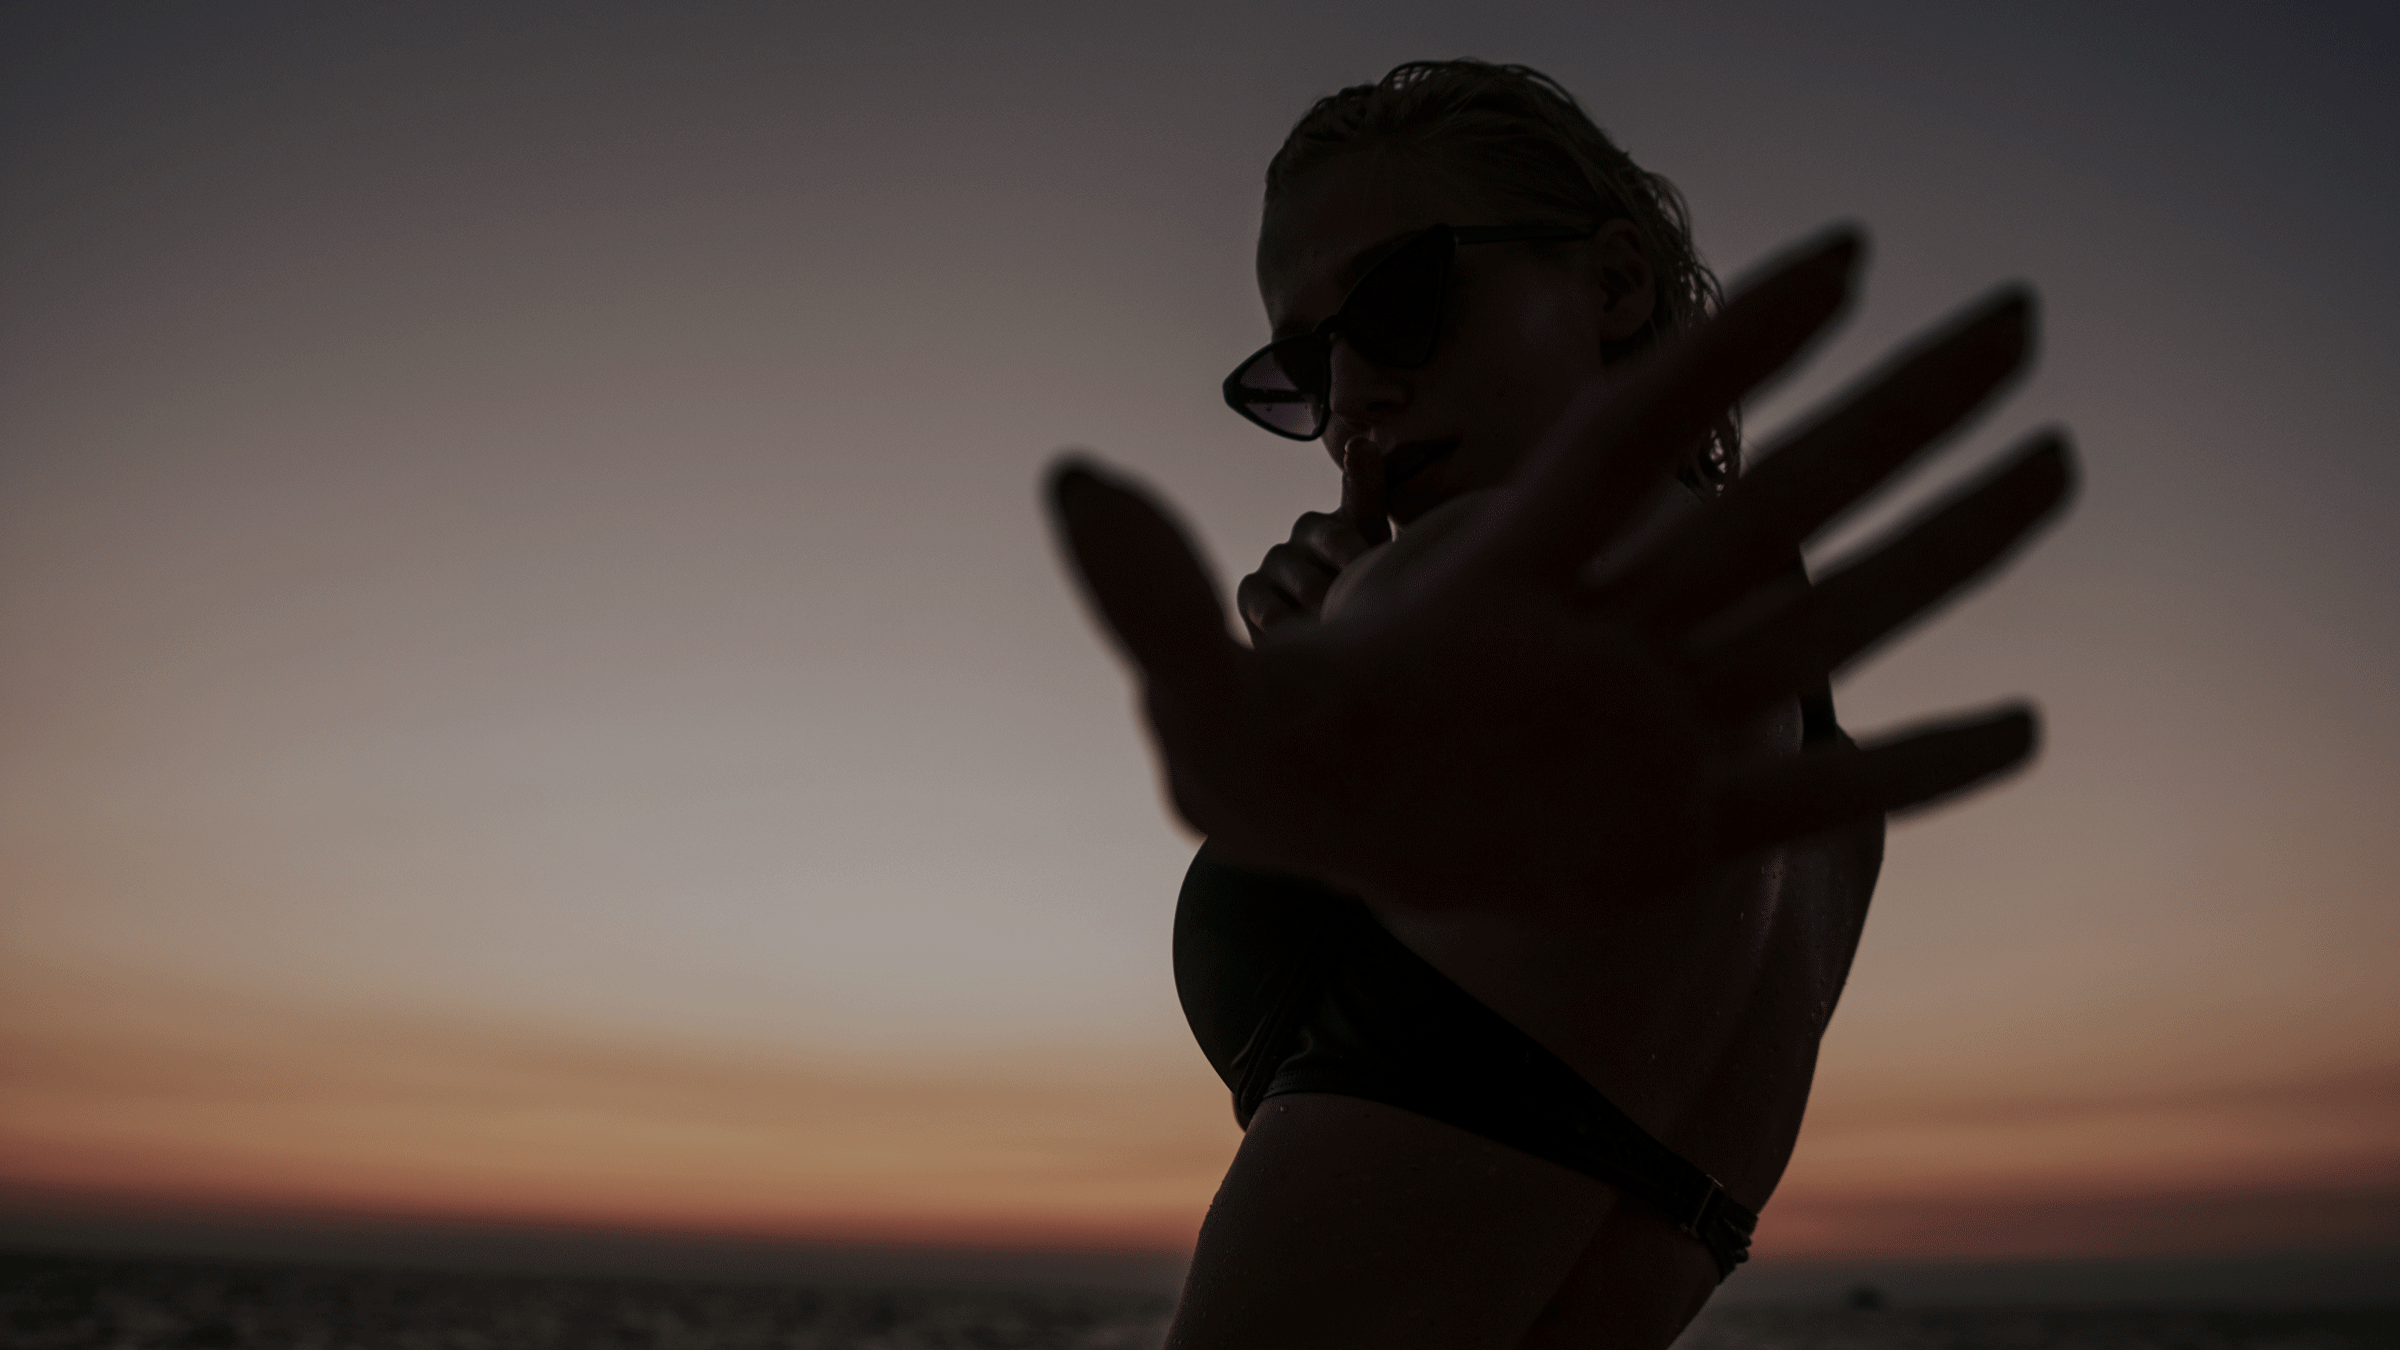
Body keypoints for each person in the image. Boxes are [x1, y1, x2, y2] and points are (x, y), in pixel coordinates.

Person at [1047, 61, 2073, 1350]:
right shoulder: (1812, 785)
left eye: (1403, 303)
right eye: (1305, 366)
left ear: (1614, 283)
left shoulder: (1528, 597)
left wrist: (1352, 639)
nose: (1355, 393)